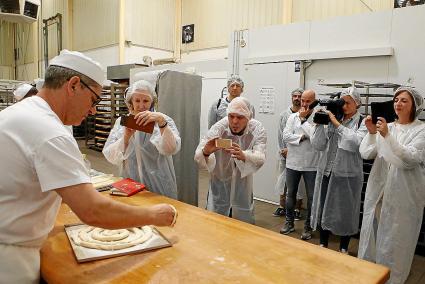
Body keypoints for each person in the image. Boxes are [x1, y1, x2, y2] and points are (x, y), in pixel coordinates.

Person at [0, 50, 176, 283]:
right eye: (93, 100)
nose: (93, 110)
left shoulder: (18, 114)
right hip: (9, 260)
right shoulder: (50, 132)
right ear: (73, 85)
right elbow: (93, 210)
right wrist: (154, 215)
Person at [358, 87, 425, 284]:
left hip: (403, 194)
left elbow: (410, 158)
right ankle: (369, 276)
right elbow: (366, 153)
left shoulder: (420, 130)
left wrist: (387, 136)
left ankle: (393, 279)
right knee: (373, 234)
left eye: (404, 100)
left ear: (414, 106)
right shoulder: (388, 126)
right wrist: (371, 134)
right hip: (379, 192)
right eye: (396, 99)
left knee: (397, 240)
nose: (398, 103)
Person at [310, 87, 367, 253]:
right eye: (342, 102)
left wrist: (336, 123)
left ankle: (343, 247)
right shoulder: (335, 117)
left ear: (357, 104)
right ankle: (323, 243)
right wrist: (320, 124)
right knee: (324, 209)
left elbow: (356, 143)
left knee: (346, 212)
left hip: (347, 175)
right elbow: (318, 145)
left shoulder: (362, 122)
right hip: (328, 172)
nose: (344, 106)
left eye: (348, 102)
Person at [103, 80, 181, 199]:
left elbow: (170, 149)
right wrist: (126, 137)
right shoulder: (123, 122)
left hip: (159, 185)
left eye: (145, 101)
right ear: (131, 102)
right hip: (130, 184)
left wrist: (161, 124)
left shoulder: (163, 120)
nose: (141, 105)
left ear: (152, 102)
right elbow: (111, 156)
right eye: (137, 100)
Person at [194, 97, 267, 224]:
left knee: (242, 220)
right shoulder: (219, 127)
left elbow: (261, 157)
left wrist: (245, 156)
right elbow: (198, 155)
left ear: (249, 117)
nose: (234, 121)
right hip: (220, 180)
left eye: (240, 117)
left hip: (243, 183)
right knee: (216, 220)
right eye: (231, 116)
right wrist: (206, 152)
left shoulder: (257, 129)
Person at [280, 89, 319, 240]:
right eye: (303, 100)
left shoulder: (318, 117)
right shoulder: (292, 117)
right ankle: (289, 222)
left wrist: (303, 122)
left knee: (311, 197)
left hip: (312, 164)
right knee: (290, 194)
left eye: (308, 101)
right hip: (293, 162)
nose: (304, 103)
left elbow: (316, 138)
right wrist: (302, 137)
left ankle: (308, 227)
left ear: (314, 101)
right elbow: (286, 136)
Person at [273, 88, 306, 218]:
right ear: (291, 98)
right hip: (284, 153)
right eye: (295, 96)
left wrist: (294, 149)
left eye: (299, 96)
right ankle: (282, 206)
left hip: (299, 154)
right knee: (282, 180)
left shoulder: (306, 115)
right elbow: (281, 134)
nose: (297, 98)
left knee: (299, 182)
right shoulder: (284, 115)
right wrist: (283, 150)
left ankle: (297, 208)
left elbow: (305, 136)